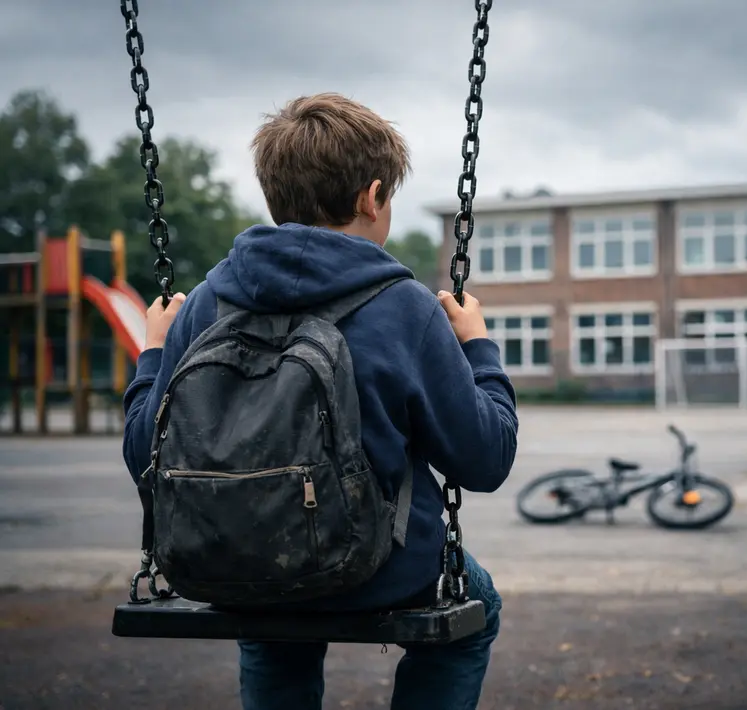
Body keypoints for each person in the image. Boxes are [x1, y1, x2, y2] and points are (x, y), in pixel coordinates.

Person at [121, 93, 518, 710]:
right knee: (478, 607)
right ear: (374, 196)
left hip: (234, 563)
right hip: (380, 572)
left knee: (270, 619)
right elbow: (485, 460)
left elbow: (144, 454)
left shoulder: (205, 303)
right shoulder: (403, 306)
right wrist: (479, 349)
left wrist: (153, 353)